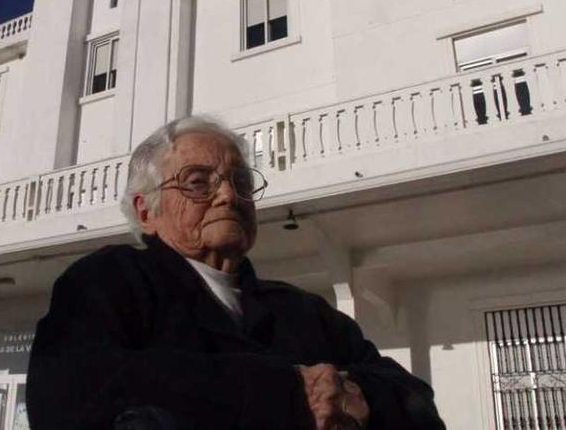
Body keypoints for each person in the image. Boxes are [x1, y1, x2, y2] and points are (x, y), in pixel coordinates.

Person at [26, 117, 446, 429]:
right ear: (145, 211)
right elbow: (67, 393)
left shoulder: (303, 309)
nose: (229, 195)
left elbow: (420, 406)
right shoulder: (110, 281)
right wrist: (288, 391)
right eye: (197, 182)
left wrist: (357, 396)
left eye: (241, 181)